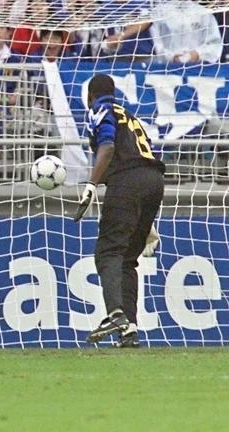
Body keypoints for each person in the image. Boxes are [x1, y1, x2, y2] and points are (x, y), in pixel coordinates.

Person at [74, 74, 165, 347]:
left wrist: (91, 184)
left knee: (108, 251)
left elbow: (108, 146)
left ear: (90, 97)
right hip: (154, 182)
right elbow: (138, 156)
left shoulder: (100, 108)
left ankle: (115, 314)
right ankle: (129, 329)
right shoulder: (130, 116)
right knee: (127, 259)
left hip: (128, 181)